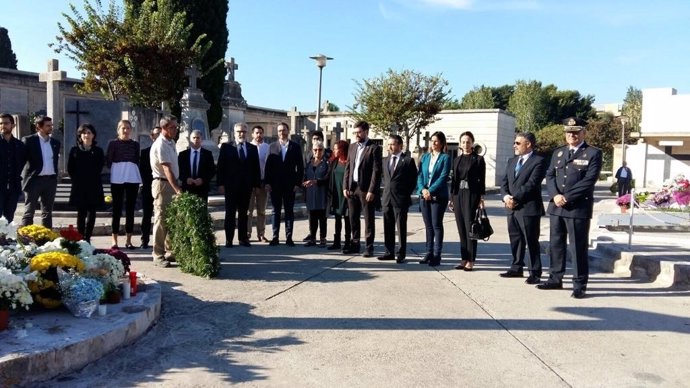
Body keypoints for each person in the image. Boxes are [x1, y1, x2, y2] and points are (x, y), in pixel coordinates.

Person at [537, 117, 602, 299]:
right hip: (557, 206)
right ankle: (555, 278)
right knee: (556, 245)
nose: (571, 135)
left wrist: (567, 197)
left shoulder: (593, 153)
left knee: (577, 248)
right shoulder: (558, 153)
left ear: (583, 133)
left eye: (575, 132)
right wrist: (555, 195)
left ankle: (579, 284)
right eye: (568, 132)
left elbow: (589, 180)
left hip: (577, 207)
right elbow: (550, 175)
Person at [499, 132, 546, 284]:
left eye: (518, 143)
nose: (514, 145)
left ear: (529, 144)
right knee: (515, 239)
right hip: (511, 207)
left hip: (528, 207)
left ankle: (535, 272)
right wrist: (506, 197)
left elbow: (532, 184)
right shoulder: (512, 161)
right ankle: (516, 267)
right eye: (515, 142)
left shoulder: (538, 161)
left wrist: (516, 198)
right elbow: (504, 181)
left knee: (531, 240)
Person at [343, 120, 382, 257]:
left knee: (368, 219)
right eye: (355, 132)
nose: (357, 135)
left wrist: (372, 190)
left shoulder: (374, 148)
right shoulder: (352, 147)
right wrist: (345, 186)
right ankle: (355, 245)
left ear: (366, 132)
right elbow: (348, 167)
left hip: (366, 189)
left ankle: (369, 247)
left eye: (359, 132)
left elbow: (376, 171)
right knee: (353, 218)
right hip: (352, 188)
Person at [217, 122, 260, 247]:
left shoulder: (252, 148)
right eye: (239, 131)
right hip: (230, 186)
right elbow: (221, 167)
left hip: (246, 186)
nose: (241, 134)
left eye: (244, 131)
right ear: (234, 133)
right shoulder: (226, 147)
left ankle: (243, 238)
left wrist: (256, 185)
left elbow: (255, 168)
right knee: (230, 213)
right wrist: (220, 184)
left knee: (243, 213)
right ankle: (229, 239)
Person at [450, 131, 486, 271]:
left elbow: (481, 180)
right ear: (460, 144)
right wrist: (451, 198)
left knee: (470, 227)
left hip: (472, 195)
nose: (466, 144)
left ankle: (471, 259)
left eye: (468, 142)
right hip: (458, 194)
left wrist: (481, 198)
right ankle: (463, 258)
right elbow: (453, 181)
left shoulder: (478, 159)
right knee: (461, 228)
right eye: (463, 142)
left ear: (472, 143)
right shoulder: (456, 160)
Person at [379, 134, 418, 264]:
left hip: (400, 199)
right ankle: (389, 252)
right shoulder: (385, 160)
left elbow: (413, 181)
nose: (390, 147)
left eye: (393, 144)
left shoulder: (407, 161)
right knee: (387, 226)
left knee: (401, 227)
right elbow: (385, 178)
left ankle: (401, 253)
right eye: (388, 144)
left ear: (400, 145)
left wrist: (405, 193)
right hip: (387, 198)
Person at [264, 122, 304, 247]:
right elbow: (267, 167)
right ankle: (275, 236)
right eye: (280, 130)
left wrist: (298, 183)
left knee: (289, 211)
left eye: (284, 130)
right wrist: (267, 183)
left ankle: (289, 237)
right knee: (275, 211)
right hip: (275, 185)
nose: (282, 132)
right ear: (278, 132)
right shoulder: (272, 147)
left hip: (290, 185)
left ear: (288, 131)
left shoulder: (295, 147)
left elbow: (300, 167)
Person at [150, 115, 182, 267]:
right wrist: (177, 189)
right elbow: (166, 168)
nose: (175, 130)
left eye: (176, 127)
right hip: (162, 184)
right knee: (161, 219)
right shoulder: (161, 144)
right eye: (172, 127)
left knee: (170, 219)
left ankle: (170, 251)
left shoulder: (171, 142)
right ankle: (158, 255)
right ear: (164, 128)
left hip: (170, 183)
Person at [416, 131, 451, 266]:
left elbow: (443, 177)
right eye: (432, 141)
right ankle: (428, 252)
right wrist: (423, 190)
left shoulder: (445, 158)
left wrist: (430, 191)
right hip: (424, 196)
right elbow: (419, 175)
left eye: (436, 141)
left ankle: (437, 254)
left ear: (442, 143)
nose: (433, 143)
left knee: (436, 225)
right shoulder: (425, 157)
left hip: (438, 197)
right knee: (428, 226)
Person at [106, 119, 142, 249]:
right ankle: (114, 240)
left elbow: (136, 159)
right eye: (123, 128)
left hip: (132, 176)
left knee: (130, 209)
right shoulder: (113, 144)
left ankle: (129, 240)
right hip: (118, 176)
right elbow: (109, 160)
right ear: (118, 130)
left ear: (131, 130)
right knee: (116, 208)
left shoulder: (135, 145)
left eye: (128, 128)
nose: (126, 131)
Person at [67, 123, 105, 242]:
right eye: (84, 133)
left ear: (93, 135)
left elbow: (99, 167)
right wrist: (77, 180)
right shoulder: (74, 150)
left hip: (94, 185)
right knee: (81, 213)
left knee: (92, 212)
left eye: (89, 133)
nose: (86, 135)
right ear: (80, 135)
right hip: (79, 186)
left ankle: (88, 237)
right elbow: (70, 168)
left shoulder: (98, 151)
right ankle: (80, 237)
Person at [21, 115, 60, 228]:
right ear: (39, 126)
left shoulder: (55, 143)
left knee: (47, 212)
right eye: (48, 126)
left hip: (50, 180)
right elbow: (22, 160)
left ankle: (46, 239)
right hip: (34, 180)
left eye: (51, 125)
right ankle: (25, 240)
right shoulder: (29, 141)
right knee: (29, 211)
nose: (51, 127)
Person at [302, 130, 332, 242]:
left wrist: (316, 182)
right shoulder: (309, 163)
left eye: (320, 150)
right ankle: (313, 237)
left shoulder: (326, 163)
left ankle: (322, 238)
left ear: (323, 150)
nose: (317, 152)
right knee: (312, 217)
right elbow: (304, 176)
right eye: (315, 150)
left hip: (322, 194)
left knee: (322, 217)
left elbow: (327, 178)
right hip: (310, 194)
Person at [138, 126, 161, 249]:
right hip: (148, 186)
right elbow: (142, 171)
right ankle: (144, 240)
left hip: (161, 186)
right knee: (146, 215)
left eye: (160, 134)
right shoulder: (145, 152)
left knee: (161, 215)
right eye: (156, 134)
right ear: (152, 136)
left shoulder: (166, 150)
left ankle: (159, 242)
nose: (158, 136)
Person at [247, 125, 270, 242]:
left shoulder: (267, 147)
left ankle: (261, 233)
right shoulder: (248, 147)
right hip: (250, 183)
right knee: (249, 210)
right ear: (252, 134)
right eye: (257, 133)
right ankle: (247, 233)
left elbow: (269, 166)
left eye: (261, 133)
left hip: (262, 182)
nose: (259, 135)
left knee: (261, 210)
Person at [178, 129, 215, 203]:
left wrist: (202, 180)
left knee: (202, 212)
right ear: (190, 139)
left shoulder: (207, 154)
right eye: (194, 138)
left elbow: (212, 170)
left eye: (198, 138)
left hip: (202, 188)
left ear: (201, 139)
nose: (196, 140)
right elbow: (179, 170)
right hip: (187, 188)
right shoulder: (183, 155)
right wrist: (185, 179)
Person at [0, 113, 25, 222]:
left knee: (9, 218)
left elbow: (21, 163)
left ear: (13, 125)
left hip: (13, 187)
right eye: (0, 123)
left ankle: (6, 239)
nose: (3, 126)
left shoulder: (19, 145)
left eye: (6, 123)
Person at [328, 140, 351, 251]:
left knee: (347, 220)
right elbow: (328, 177)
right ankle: (337, 242)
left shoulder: (349, 162)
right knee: (337, 219)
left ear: (342, 150)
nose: (334, 150)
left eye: (336, 148)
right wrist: (315, 181)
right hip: (336, 194)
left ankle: (347, 243)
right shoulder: (334, 162)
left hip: (346, 195)